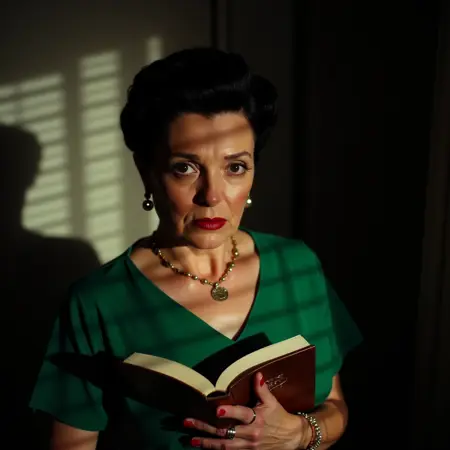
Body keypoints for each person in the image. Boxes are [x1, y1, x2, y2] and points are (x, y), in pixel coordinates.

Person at [29, 47, 362, 450]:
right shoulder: (97, 301)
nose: (212, 195)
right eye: (185, 168)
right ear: (147, 172)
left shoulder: (298, 266)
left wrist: (300, 434)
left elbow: (334, 407)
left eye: (235, 167)